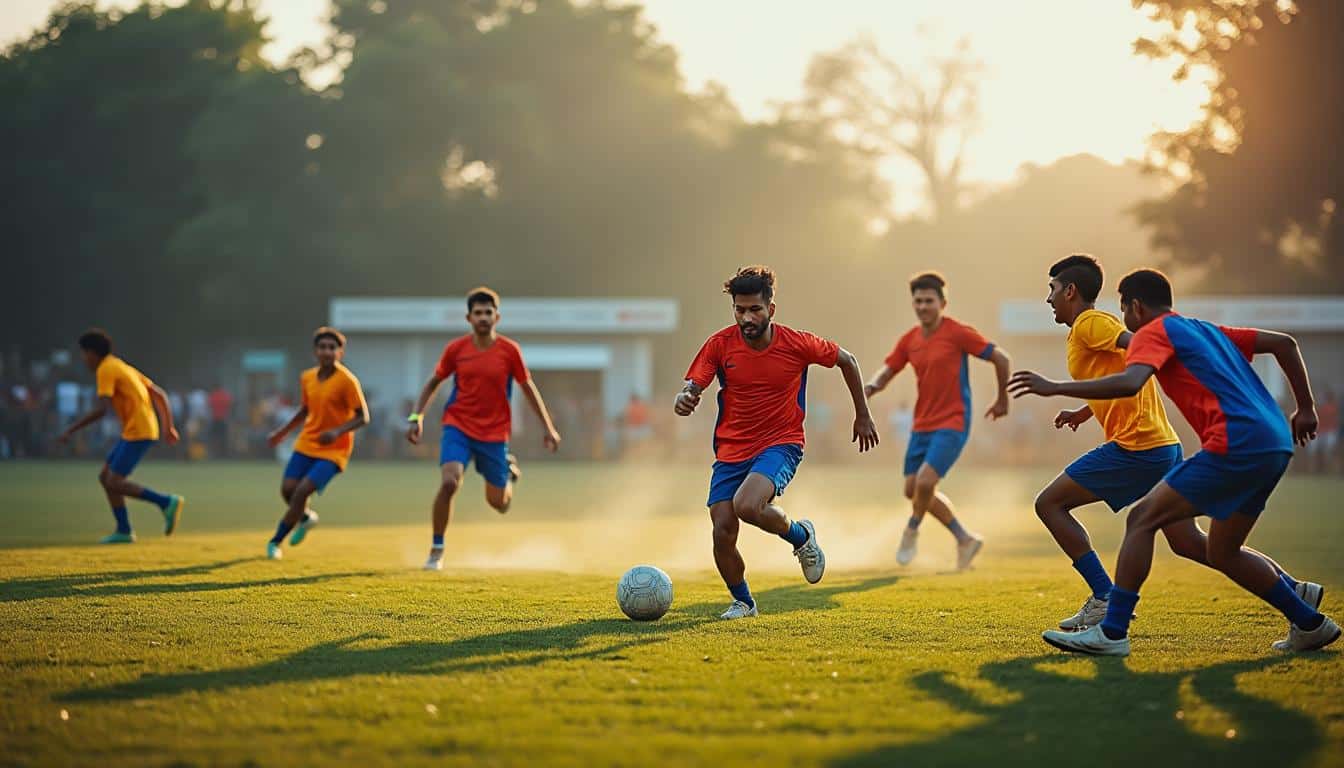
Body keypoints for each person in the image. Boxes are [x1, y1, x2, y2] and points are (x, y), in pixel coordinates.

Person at [1010, 268, 1338, 656]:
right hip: (1275, 443)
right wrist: (1305, 408)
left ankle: (1111, 630)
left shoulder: (1150, 333)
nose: (1123, 319)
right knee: (1220, 550)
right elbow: (1284, 343)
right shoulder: (1203, 329)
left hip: (1234, 440)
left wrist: (1054, 387)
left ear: (1135, 306)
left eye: (1124, 309)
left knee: (1140, 519)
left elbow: (1130, 381)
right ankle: (1309, 620)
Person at [676, 266, 879, 619]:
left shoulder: (797, 344)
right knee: (723, 529)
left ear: (771, 309)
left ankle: (801, 537)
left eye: (754, 309)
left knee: (747, 505)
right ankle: (744, 602)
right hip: (730, 449)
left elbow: (848, 360)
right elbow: (696, 382)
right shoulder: (720, 345)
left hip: (781, 443)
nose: (746, 317)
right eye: (740, 310)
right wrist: (687, 395)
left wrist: (862, 413)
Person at [407, 287, 562, 571]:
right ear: (468, 317)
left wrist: (548, 428)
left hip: (494, 434)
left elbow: (528, 388)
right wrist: (417, 416)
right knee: (450, 482)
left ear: (497, 317)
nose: (483, 317)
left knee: (499, 504)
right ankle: (436, 550)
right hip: (458, 425)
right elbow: (433, 383)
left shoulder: (509, 351)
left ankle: (509, 477)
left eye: (488, 313)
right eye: (477, 313)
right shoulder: (456, 350)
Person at [864, 272, 1011, 570]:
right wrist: (871, 387)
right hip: (921, 425)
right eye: (917, 301)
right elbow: (888, 369)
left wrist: (1002, 400)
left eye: (929, 301)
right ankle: (965, 539)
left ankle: (911, 530)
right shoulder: (910, 339)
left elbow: (1001, 359)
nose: (922, 306)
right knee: (912, 490)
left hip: (953, 421)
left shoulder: (957, 332)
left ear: (943, 303)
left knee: (925, 482)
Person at [57, 329, 184, 543]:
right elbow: (159, 394)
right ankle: (124, 530)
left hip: (138, 431)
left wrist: (71, 429)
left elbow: (101, 409)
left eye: (84, 354)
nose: (83, 359)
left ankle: (165, 502)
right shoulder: (122, 366)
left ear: (92, 353)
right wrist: (168, 427)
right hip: (138, 429)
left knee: (114, 481)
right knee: (105, 478)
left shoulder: (105, 369)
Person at [264, 328, 370, 560]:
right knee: (288, 490)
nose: (327, 351)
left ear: (340, 352)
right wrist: (281, 433)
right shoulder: (307, 378)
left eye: (332, 348)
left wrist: (337, 431)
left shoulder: (347, 381)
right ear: (315, 351)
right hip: (307, 442)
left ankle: (275, 542)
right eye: (322, 347)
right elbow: (305, 409)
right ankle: (304, 518)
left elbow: (363, 416)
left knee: (302, 492)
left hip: (335, 450)